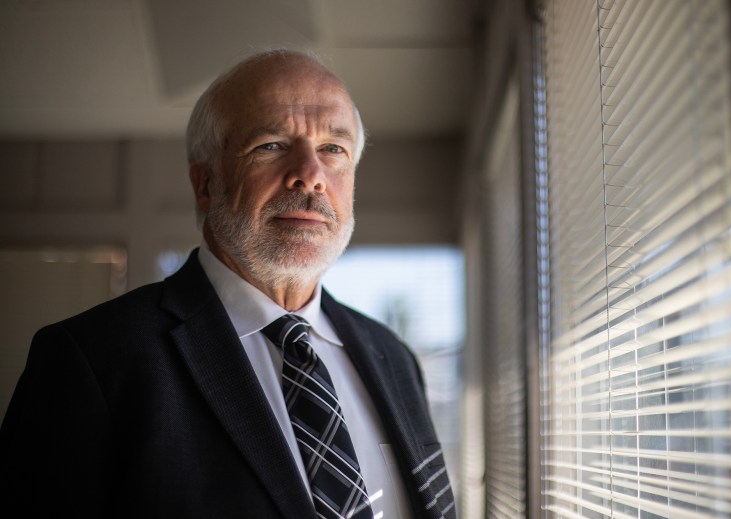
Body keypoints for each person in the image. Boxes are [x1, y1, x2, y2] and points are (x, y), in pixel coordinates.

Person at [0, 50, 455, 518]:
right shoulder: (93, 359)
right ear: (205, 183)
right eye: (271, 145)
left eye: (333, 149)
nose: (311, 176)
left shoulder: (394, 358)